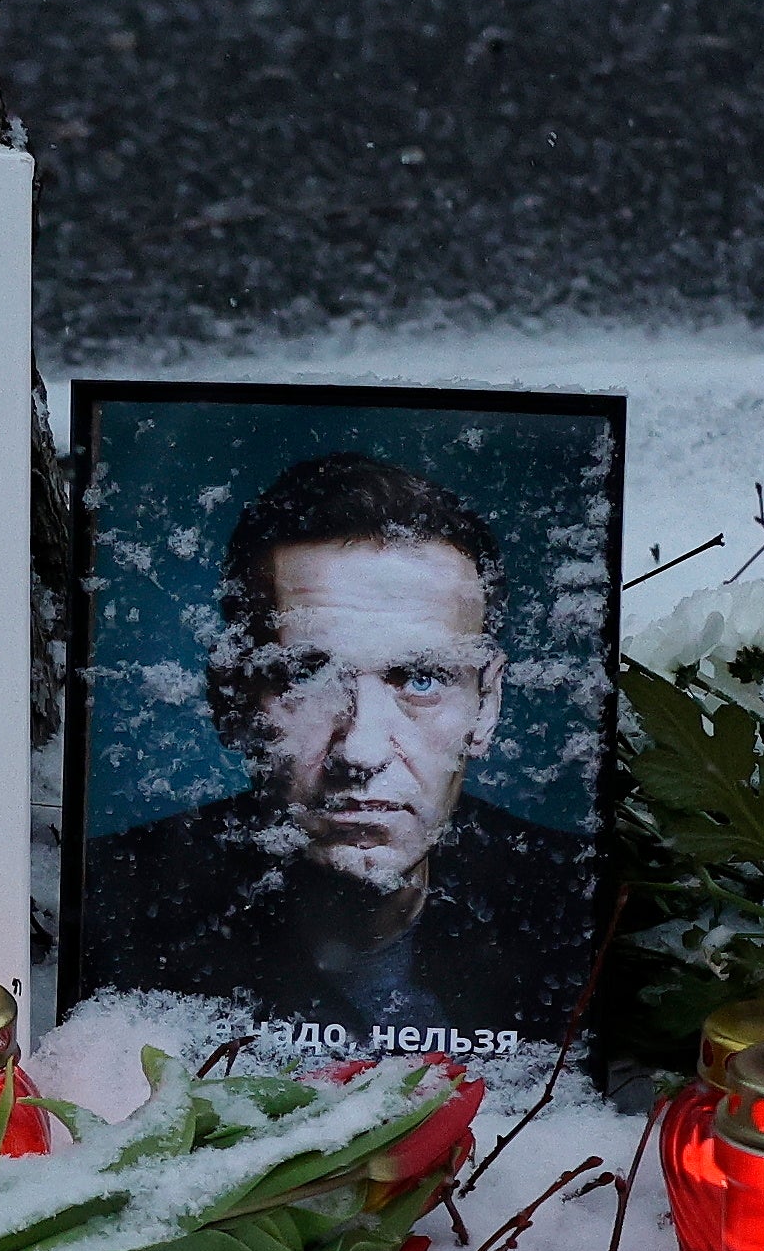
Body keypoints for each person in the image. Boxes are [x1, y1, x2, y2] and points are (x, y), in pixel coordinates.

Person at [77, 448, 599, 1051]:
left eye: (422, 679)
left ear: (487, 704)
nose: (362, 749)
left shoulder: (576, 907)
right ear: (233, 700)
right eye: (305, 678)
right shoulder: (114, 907)